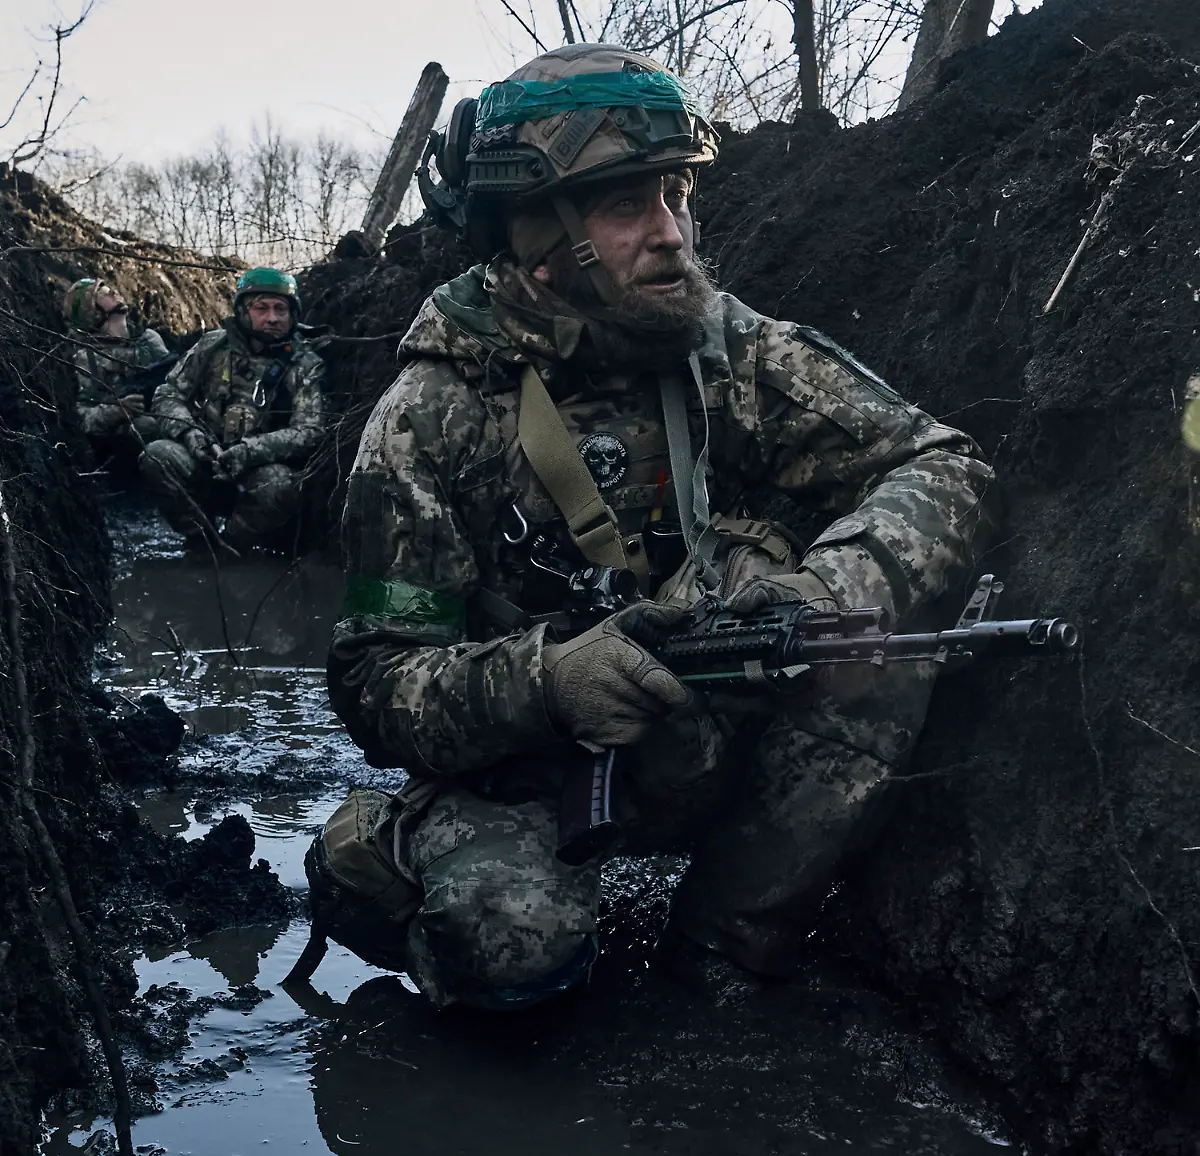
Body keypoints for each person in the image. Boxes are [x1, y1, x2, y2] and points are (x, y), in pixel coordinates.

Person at [304, 44, 995, 1011]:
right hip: (526, 774)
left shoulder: (721, 346)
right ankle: (386, 867)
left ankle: (720, 959)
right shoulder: (430, 416)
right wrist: (550, 681)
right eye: (629, 205)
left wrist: (824, 595)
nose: (672, 236)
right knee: (508, 951)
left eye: (677, 195)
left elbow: (942, 461)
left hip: (704, 724)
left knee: (877, 656)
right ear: (536, 230)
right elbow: (376, 682)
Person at [141, 266, 325, 549]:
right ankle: (201, 543)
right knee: (157, 455)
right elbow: (168, 394)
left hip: (258, 475)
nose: (272, 318)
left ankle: (233, 549)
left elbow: (311, 430)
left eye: (280, 309)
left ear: (293, 315)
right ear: (242, 311)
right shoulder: (212, 346)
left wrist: (249, 452)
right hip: (204, 461)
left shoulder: (304, 364)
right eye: (261, 308)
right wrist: (191, 436)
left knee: (281, 484)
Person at [63, 278, 171, 465]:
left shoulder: (149, 339)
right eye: (103, 294)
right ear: (93, 313)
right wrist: (116, 411)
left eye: (111, 289)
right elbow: (81, 419)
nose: (114, 293)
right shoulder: (86, 357)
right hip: (124, 439)